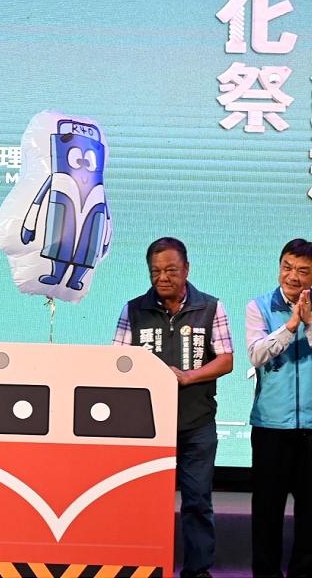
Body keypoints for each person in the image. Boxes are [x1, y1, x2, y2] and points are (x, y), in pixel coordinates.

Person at [112, 237, 233, 578]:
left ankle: (197, 570)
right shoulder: (133, 310)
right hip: (147, 426)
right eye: (155, 271)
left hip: (197, 423)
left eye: (170, 270)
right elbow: (117, 361)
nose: (162, 277)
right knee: (145, 501)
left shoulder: (210, 307)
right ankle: (144, 567)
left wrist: (187, 376)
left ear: (186, 269)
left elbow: (226, 359)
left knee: (197, 501)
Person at [245, 238, 312, 577]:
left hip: (311, 429)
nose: (293, 276)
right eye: (287, 267)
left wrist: (309, 324)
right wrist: (290, 326)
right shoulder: (259, 307)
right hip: (271, 427)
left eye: (303, 270)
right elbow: (256, 354)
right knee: (267, 511)